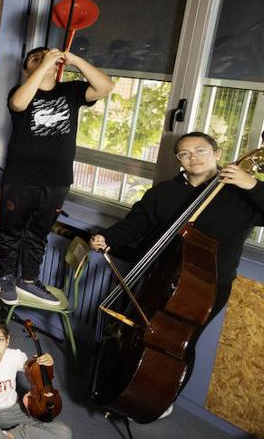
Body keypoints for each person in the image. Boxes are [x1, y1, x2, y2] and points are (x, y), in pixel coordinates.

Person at [90, 131, 264, 384]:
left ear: (217, 154)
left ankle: (161, 394)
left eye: (201, 151)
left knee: (180, 342)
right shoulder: (164, 192)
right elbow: (135, 224)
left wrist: (253, 185)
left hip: (209, 286)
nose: (193, 158)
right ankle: (122, 380)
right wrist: (107, 238)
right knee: (137, 330)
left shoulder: (240, 194)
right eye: (185, 154)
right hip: (159, 275)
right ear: (179, 160)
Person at [0, 46, 113, 303]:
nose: (43, 60)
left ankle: (29, 280)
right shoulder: (19, 93)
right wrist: (44, 65)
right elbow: (18, 104)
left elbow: (105, 87)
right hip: (21, 179)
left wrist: (74, 59)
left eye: (47, 56)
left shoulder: (70, 91)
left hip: (57, 180)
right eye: (34, 59)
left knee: (38, 232)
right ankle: (5, 278)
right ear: (26, 69)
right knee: (11, 230)